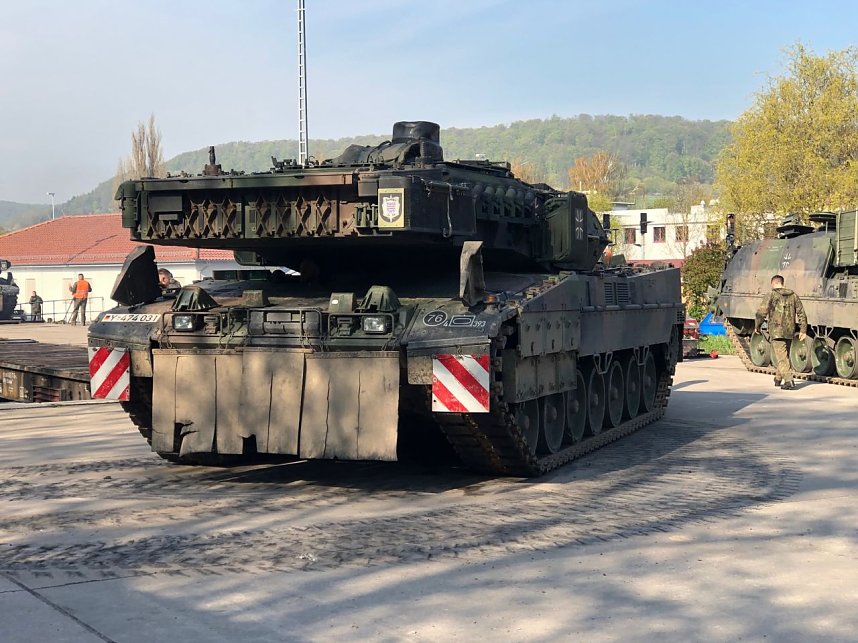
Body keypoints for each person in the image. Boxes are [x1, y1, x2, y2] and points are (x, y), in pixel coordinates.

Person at [755, 274, 807, 390]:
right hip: (789, 331)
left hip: (776, 331)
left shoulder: (771, 294)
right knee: (783, 355)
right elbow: (801, 314)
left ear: (773, 283)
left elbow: (761, 312)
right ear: (782, 282)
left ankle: (789, 381)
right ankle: (778, 378)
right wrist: (803, 329)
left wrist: (757, 326)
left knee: (782, 357)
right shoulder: (793, 296)